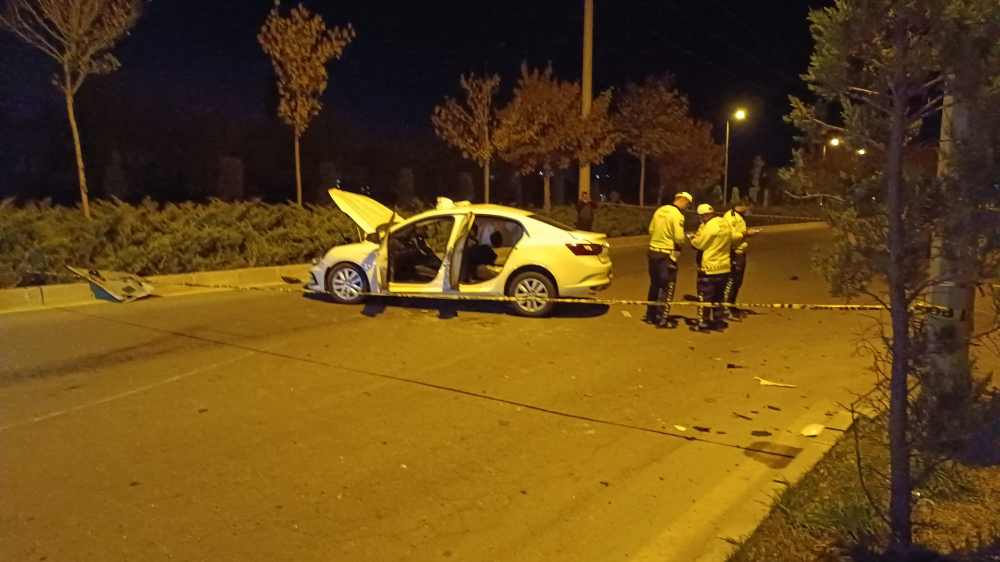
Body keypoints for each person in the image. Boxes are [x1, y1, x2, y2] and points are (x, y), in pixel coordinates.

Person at [689, 204, 743, 332]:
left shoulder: (710, 226)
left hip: (710, 267)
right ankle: (718, 322)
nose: (700, 220)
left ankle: (703, 323)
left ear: (704, 215)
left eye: (700, 217)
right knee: (719, 297)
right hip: (724, 267)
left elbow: (700, 244)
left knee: (705, 297)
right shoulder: (724, 222)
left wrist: (692, 238)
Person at [644, 191, 693, 328]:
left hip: (652, 251)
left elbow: (651, 230)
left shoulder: (660, 210)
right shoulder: (677, 215)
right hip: (666, 254)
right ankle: (662, 319)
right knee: (667, 286)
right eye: (688, 205)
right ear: (683, 201)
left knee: (654, 285)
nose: (687, 208)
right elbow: (678, 238)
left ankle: (650, 316)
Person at [722, 199, 759, 319]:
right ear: (743, 205)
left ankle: (731, 306)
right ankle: (726, 308)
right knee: (732, 281)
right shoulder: (731, 217)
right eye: (749, 208)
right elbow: (730, 236)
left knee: (737, 282)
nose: (750, 211)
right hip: (734, 252)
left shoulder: (739, 216)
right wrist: (745, 234)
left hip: (740, 252)